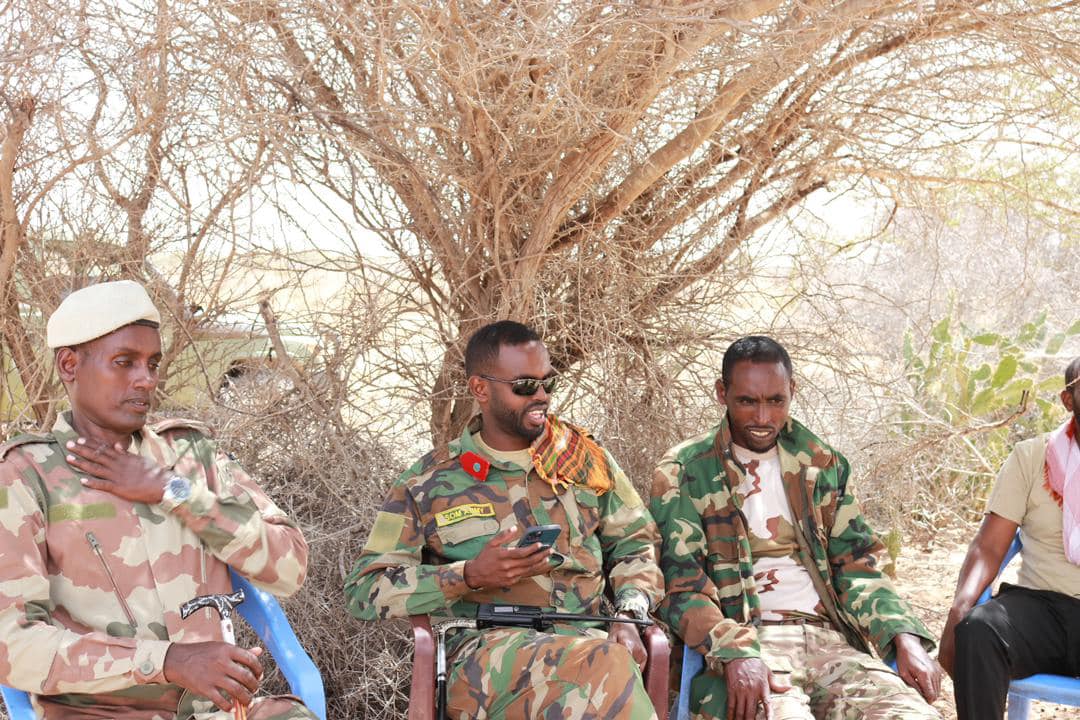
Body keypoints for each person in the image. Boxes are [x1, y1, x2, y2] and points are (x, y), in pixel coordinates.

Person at [0, 280, 314, 720]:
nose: (145, 379)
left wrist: (174, 492)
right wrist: (167, 661)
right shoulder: (24, 476)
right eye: (124, 362)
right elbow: (11, 645)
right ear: (70, 364)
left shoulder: (189, 455)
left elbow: (290, 569)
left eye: (152, 363)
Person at [344, 320, 664, 719]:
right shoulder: (427, 482)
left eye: (548, 382)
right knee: (608, 666)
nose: (542, 396)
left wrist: (629, 614)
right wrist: (467, 576)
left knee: (604, 666)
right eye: (525, 386)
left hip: (586, 639)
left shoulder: (583, 461)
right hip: (485, 653)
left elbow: (637, 544)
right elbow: (365, 589)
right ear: (480, 389)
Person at [650, 335, 941, 720]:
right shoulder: (686, 471)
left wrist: (902, 635)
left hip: (830, 643)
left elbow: (858, 566)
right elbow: (680, 587)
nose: (763, 417)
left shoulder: (821, 464)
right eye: (747, 401)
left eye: (776, 401)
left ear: (792, 391)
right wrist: (735, 652)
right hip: (749, 643)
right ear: (722, 393)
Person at [938, 356, 1080, 720]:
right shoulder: (1032, 457)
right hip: (1041, 608)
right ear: (1069, 400)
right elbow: (989, 546)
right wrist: (960, 606)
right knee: (978, 630)